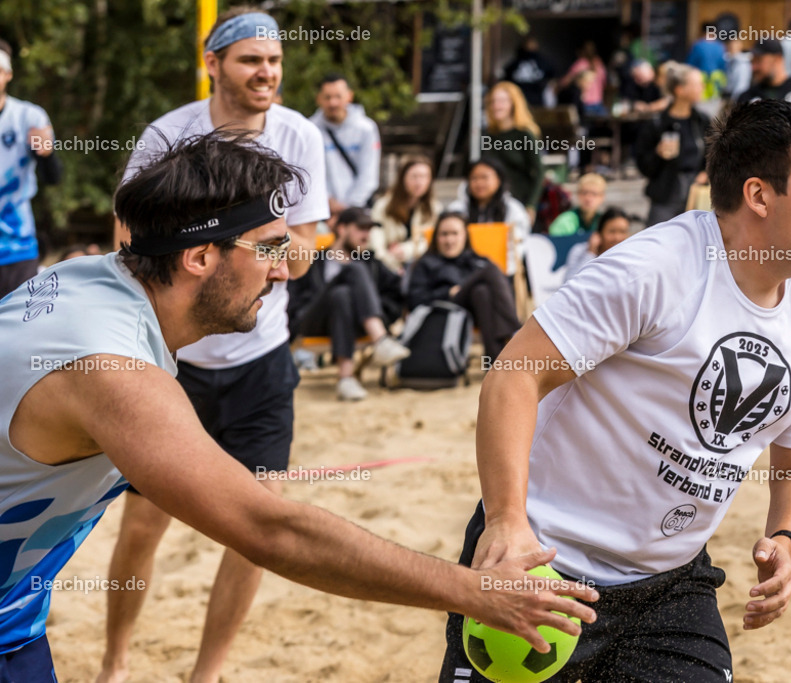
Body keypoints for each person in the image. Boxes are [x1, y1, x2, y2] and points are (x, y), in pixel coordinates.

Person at [0, 134, 597, 679]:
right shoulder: (112, 369)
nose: (285, 270)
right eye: (268, 248)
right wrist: (473, 591)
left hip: (15, 620)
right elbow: (270, 529)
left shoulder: (83, 279)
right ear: (200, 257)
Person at [438, 99, 791, 682]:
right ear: (759, 196)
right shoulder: (655, 270)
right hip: (545, 562)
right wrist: (506, 521)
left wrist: (787, 537)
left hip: (670, 584)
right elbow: (513, 373)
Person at [100, 10, 332, 682]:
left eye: (275, 62)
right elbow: (126, 237)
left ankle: (208, 671)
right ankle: (115, 664)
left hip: (263, 360)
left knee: (256, 530)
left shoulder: (299, 135)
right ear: (213, 63)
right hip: (177, 365)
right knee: (143, 527)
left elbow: (310, 241)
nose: (266, 73)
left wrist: (281, 255)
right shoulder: (169, 135)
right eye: (250, 61)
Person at [288, 208, 410, 401]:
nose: (366, 235)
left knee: (341, 294)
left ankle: (346, 378)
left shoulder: (372, 263)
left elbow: (397, 292)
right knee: (353, 269)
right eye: (361, 228)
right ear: (342, 229)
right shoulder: (313, 260)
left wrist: (383, 314)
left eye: (369, 230)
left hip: (355, 324)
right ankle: (381, 340)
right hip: (313, 321)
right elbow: (293, 295)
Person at [407, 212, 520, 361]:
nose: (449, 240)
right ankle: (517, 331)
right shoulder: (426, 263)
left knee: (481, 293)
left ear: (465, 236)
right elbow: (414, 299)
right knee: (491, 270)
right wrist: (446, 292)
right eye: (444, 234)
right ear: (436, 238)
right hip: (445, 309)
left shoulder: (475, 260)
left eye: (455, 233)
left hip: (478, 310)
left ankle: (494, 363)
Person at [0, 39, 59, 299]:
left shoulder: (29, 117)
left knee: (15, 329)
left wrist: (46, 154)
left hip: (17, 244)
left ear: (8, 74)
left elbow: (53, 178)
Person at [636, 63, 711, 225]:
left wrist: (706, 172)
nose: (702, 87)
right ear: (680, 89)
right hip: (665, 195)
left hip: (696, 194)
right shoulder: (657, 124)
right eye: (697, 84)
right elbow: (643, 165)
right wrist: (658, 154)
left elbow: (714, 153)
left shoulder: (701, 120)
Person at [446, 157, 531, 278]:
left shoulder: (513, 209)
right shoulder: (456, 209)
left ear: (499, 179)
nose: (479, 183)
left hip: (502, 273)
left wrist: (500, 271)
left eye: (484, 178)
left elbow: (518, 246)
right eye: (474, 178)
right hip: (461, 271)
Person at [310, 73, 382, 215]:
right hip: (321, 210)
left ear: (349, 96)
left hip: (357, 210)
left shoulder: (366, 128)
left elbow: (369, 174)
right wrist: (327, 202)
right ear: (318, 99)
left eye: (338, 96)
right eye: (327, 97)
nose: (333, 103)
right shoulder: (309, 129)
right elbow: (308, 173)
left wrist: (349, 208)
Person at [369, 154, 442, 273]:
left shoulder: (434, 208)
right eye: (414, 176)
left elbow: (431, 241)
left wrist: (406, 250)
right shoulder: (383, 206)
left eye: (424, 177)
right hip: (385, 266)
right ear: (402, 178)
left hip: (422, 266)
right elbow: (375, 240)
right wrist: (390, 262)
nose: (419, 182)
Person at [483, 82, 544, 219]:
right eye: (493, 101)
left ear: (513, 104)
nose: (496, 106)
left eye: (502, 101)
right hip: (494, 202)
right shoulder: (489, 135)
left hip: (519, 201)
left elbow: (539, 172)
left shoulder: (524, 134)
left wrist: (531, 205)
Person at [735, 39, 791, 109]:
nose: (753, 67)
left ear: (777, 59)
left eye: (758, 60)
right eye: (752, 62)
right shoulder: (746, 98)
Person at [563, 206, 631, 280]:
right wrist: (590, 252)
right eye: (612, 231)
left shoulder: (629, 257)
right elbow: (568, 282)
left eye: (622, 231)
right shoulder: (579, 250)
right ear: (600, 233)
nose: (617, 238)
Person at [500, 35, 556, 107]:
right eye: (528, 43)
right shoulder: (516, 62)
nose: (530, 45)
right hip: (519, 96)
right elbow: (507, 78)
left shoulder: (542, 61)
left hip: (538, 97)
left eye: (533, 43)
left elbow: (553, 77)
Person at [558, 41, 608, 117]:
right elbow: (605, 83)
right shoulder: (599, 64)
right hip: (598, 103)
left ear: (581, 51)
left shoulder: (581, 64)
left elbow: (564, 82)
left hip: (585, 104)